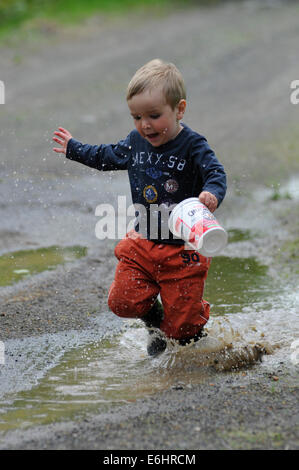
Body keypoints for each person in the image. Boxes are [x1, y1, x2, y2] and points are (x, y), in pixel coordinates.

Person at [52, 59, 227, 356]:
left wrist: (211, 193)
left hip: (183, 248)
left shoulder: (194, 145)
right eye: (136, 117)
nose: (145, 125)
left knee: (183, 331)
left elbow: (216, 174)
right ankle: (155, 323)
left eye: (154, 116)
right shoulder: (136, 142)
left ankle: (189, 328)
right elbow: (105, 156)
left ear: (179, 109)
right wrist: (74, 148)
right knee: (123, 300)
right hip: (143, 242)